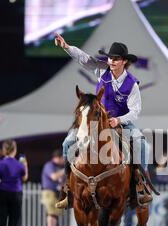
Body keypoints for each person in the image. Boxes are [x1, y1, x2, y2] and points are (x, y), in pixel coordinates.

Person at [54, 33, 152, 209]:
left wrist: (118, 120)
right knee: (67, 143)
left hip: (121, 122)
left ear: (124, 61)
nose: (112, 61)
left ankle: (140, 186)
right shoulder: (101, 69)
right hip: (95, 120)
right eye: (110, 58)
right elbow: (83, 59)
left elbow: (135, 111)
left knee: (143, 145)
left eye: (116, 59)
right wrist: (66, 47)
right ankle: (68, 188)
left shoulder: (132, 84)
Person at [40, 149, 65, 226]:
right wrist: (64, 170)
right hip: (48, 191)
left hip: (56, 191)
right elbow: (54, 177)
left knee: (55, 212)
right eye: (62, 158)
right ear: (57, 158)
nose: (63, 160)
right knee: (51, 211)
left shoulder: (58, 166)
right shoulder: (49, 165)